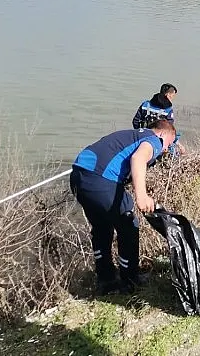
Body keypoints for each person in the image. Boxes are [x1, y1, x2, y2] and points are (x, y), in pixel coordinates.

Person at [70, 120, 176, 294]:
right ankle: (130, 279)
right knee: (128, 225)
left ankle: (106, 280)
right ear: (162, 134)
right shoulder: (153, 140)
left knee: (102, 227)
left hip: (78, 176)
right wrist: (141, 195)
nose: (165, 149)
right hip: (101, 179)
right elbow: (138, 158)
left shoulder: (133, 135)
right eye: (168, 144)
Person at [132, 83, 185, 155]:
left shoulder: (145, 104)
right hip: (158, 141)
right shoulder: (168, 110)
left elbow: (135, 121)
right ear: (168, 95)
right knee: (174, 154)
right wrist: (179, 144)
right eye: (172, 96)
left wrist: (140, 133)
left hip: (141, 136)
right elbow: (169, 130)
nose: (172, 99)